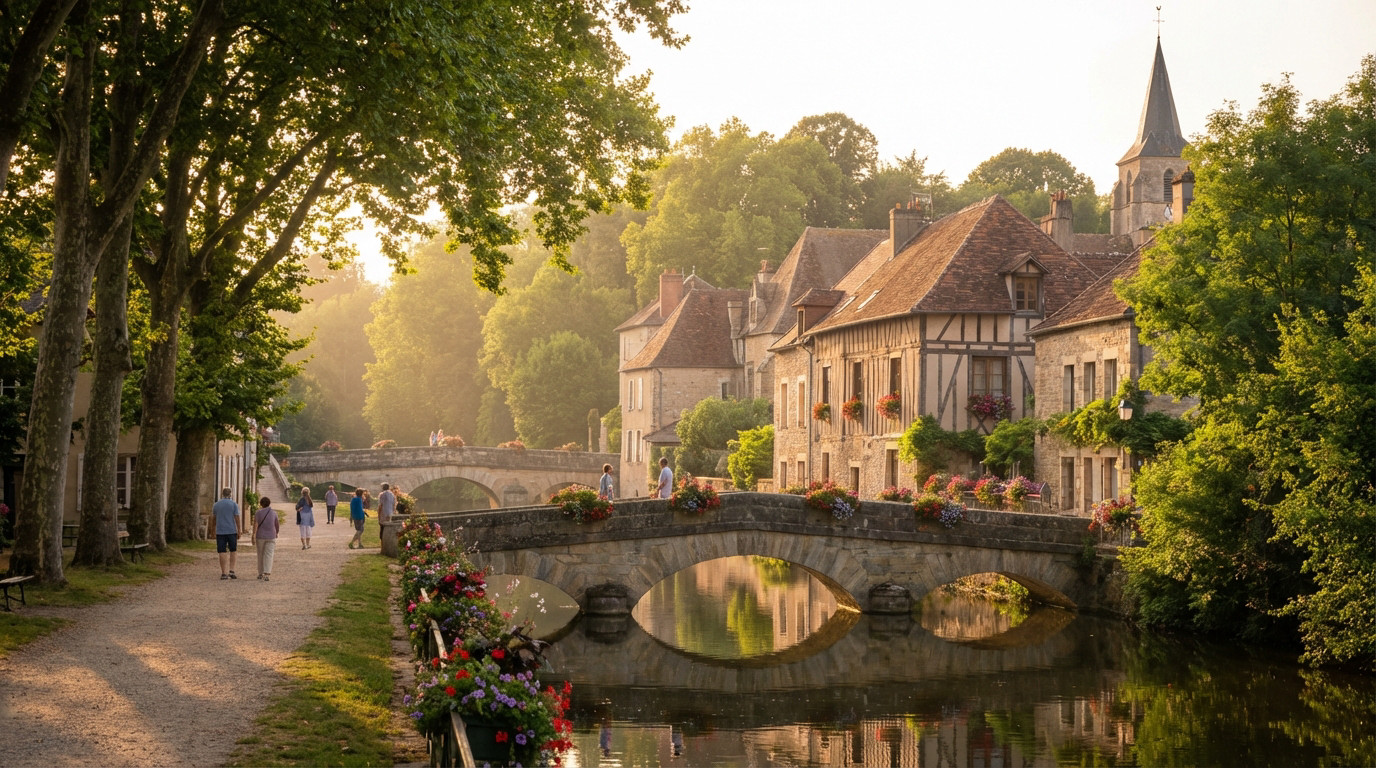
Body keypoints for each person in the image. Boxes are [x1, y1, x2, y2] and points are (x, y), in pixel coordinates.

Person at [212, 488, 240, 580]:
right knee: (233, 550)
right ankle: (232, 570)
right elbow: (237, 517)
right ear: (230, 494)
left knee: (222, 551)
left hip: (220, 531)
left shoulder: (216, 505)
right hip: (231, 530)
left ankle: (224, 572)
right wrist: (239, 530)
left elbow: (214, 519)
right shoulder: (234, 504)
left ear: (222, 494)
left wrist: (213, 530)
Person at [254, 496, 279, 581]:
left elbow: (255, 525)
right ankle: (267, 573)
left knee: (260, 554)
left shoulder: (258, 513)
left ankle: (260, 573)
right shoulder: (274, 513)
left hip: (260, 536)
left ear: (261, 504)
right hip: (271, 536)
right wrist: (277, 533)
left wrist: (253, 535)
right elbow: (277, 524)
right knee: (269, 554)